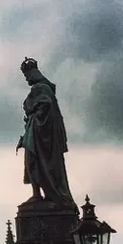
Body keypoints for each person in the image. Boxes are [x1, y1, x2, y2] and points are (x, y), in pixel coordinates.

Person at [16, 58, 75, 206]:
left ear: (33, 73)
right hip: (36, 132)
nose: (27, 78)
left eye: (27, 75)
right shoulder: (43, 88)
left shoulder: (41, 88)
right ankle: (37, 194)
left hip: (39, 134)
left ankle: (40, 194)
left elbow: (45, 106)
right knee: (32, 162)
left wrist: (33, 114)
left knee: (34, 161)